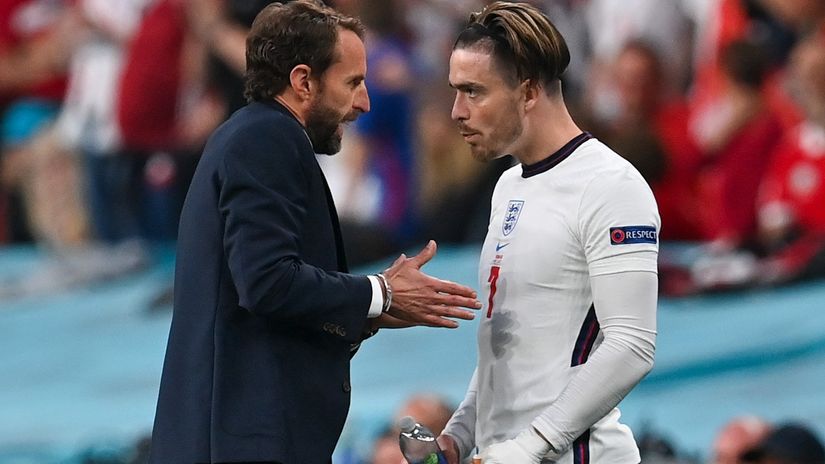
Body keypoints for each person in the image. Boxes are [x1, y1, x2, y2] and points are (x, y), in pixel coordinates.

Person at [148, 2, 481, 463]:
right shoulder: (267, 139)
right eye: (352, 83)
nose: (363, 102)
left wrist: (367, 314)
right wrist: (379, 291)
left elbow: (266, 298)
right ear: (304, 81)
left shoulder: (257, 136)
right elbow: (266, 281)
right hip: (239, 443)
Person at [435, 2, 660, 463]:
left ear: (529, 91)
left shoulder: (610, 184)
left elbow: (632, 345)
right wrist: (459, 435)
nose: (457, 111)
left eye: (474, 92)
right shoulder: (507, 185)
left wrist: (531, 447)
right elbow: (508, 343)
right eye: (456, 91)